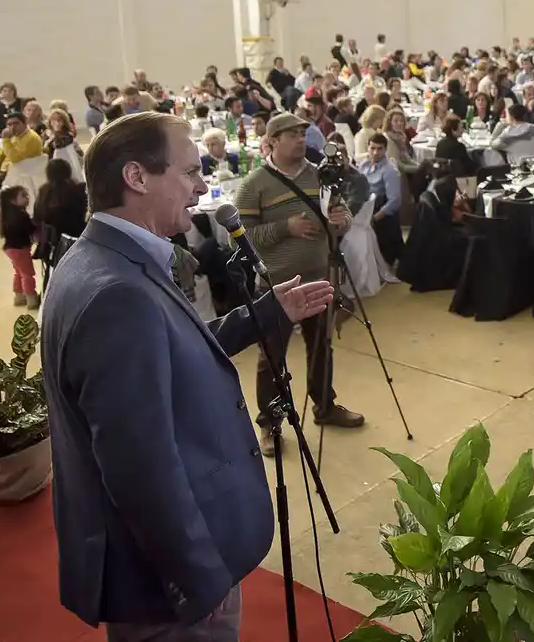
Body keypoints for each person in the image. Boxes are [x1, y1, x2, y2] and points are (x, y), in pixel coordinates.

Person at [41, 111, 336, 638]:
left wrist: (265, 314)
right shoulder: (118, 296)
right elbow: (139, 467)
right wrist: (198, 579)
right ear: (137, 177)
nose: (202, 186)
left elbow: (174, 355)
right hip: (169, 587)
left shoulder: (104, 260)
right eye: (190, 171)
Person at [236, 112, 362, 457]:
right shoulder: (253, 185)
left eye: (303, 134)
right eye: (291, 134)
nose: (300, 140)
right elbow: (242, 239)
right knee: (272, 358)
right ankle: (270, 424)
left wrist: (341, 221)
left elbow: (343, 215)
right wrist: (284, 228)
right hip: (277, 288)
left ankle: (324, 405)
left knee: (322, 347)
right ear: (272, 141)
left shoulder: (320, 176)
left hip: (319, 279)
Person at [358, 133, 404, 268]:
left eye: (380, 149)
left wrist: (374, 218)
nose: (375, 152)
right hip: (365, 208)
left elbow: (395, 201)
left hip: (381, 214)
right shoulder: (364, 165)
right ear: (368, 148)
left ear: (385, 150)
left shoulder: (390, 170)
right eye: (372, 148)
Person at [0, 185, 38, 309]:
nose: (27, 198)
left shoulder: (5, 216)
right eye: (23, 196)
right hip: (21, 249)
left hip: (10, 249)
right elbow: (31, 229)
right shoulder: (22, 215)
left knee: (18, 272)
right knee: (27, 274)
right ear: (12, 200)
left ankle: (19, 296)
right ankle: (31, 298)